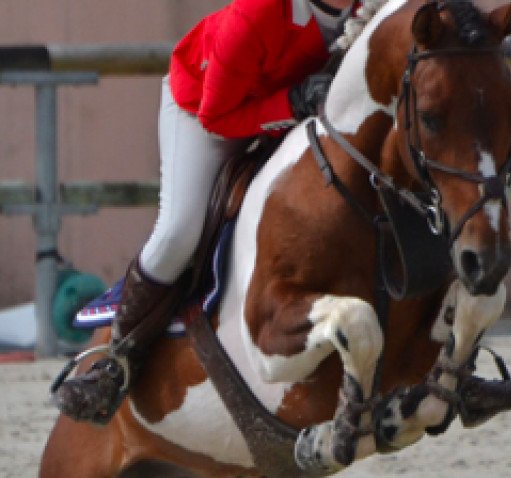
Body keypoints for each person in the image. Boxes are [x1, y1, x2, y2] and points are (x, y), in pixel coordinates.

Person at [54, 0, 360, 425]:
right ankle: (115, 359)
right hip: (207, 111)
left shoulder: (372, 7)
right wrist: (290, 104)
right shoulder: (260, 11)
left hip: (292, 110)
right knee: (179, 231)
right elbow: (218, 114)